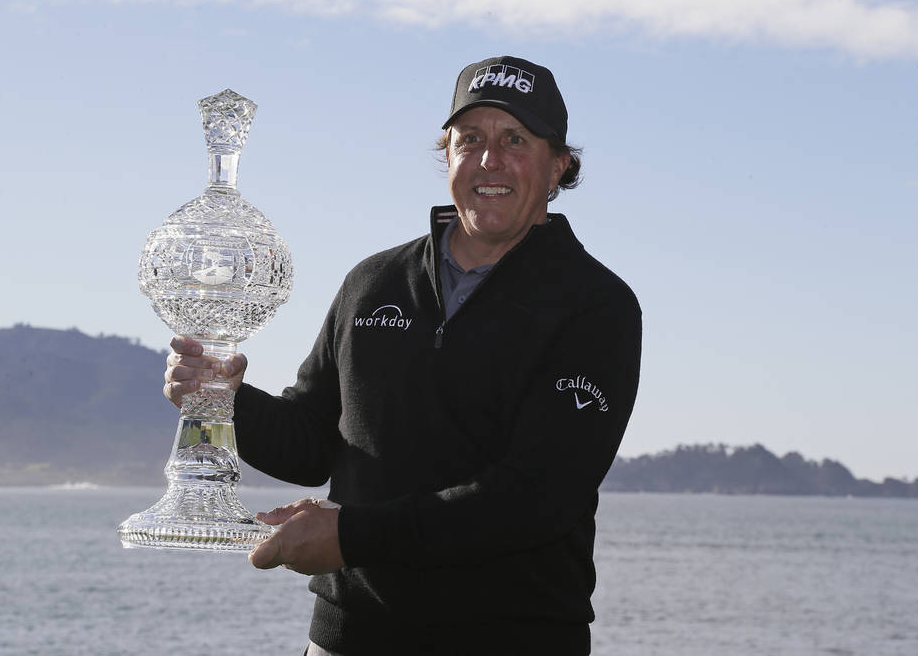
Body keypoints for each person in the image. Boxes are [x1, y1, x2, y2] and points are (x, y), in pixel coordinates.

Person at [164, 55, 642, 655]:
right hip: (348, 640)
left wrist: (350, 536)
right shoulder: (374, 282)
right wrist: (225, 403)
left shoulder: (595, 306)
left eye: (515, 140)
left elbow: (534, 500)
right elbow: (314, 442)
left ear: (558, 166)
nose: (490, 159)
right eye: (471, 139)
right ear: (447, 155)